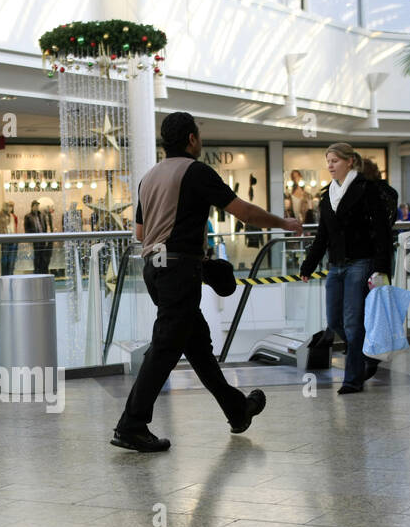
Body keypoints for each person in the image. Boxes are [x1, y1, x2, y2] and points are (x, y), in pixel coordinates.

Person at [111, 112, 301, 453]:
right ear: (190, 139)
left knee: (197, 347)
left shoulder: (149, 176)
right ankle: (131, 425)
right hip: (178, 271)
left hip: (154, 270)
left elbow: (139, 232)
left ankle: (236, 409)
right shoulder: (195, 172)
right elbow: (244, 212)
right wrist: (284, 223)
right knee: (165, 348)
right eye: (198, 135)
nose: (200, 140)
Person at [299, 142, 393, 394]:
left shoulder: (366, 189)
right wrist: (309, 263)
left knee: (352, 322)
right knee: (335, 320)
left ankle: (353, 378)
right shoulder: (327, 194)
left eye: (335, 161)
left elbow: (382, 230)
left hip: (361, 262)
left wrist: (382, 265)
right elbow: (323, 235)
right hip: (336, 265)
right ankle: (368, 357)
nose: (330, 165)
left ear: (350, 161)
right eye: (328, 161)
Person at [23, 199, 51, 275]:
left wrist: (45, 236)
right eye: (35, 206)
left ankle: (42, 271)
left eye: (37, 206)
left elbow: (44, 226)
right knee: (36, 255)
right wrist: (29, 238)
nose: (36, 207)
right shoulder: (28, 216)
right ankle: (36, 271)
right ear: (32, 207)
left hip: (42, 238)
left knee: (43, 255)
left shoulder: (41, 215)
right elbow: (27, 228)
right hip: (35, 239)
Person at [0, 201, 18, 277]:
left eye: (11, 206)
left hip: (13, 241)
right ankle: (4, 278)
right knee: (4, 262)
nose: (10, 208)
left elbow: (14, 228)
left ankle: (11, 277)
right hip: (4, 242)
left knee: (12, 262)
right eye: (8, 206)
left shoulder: (12, 216)